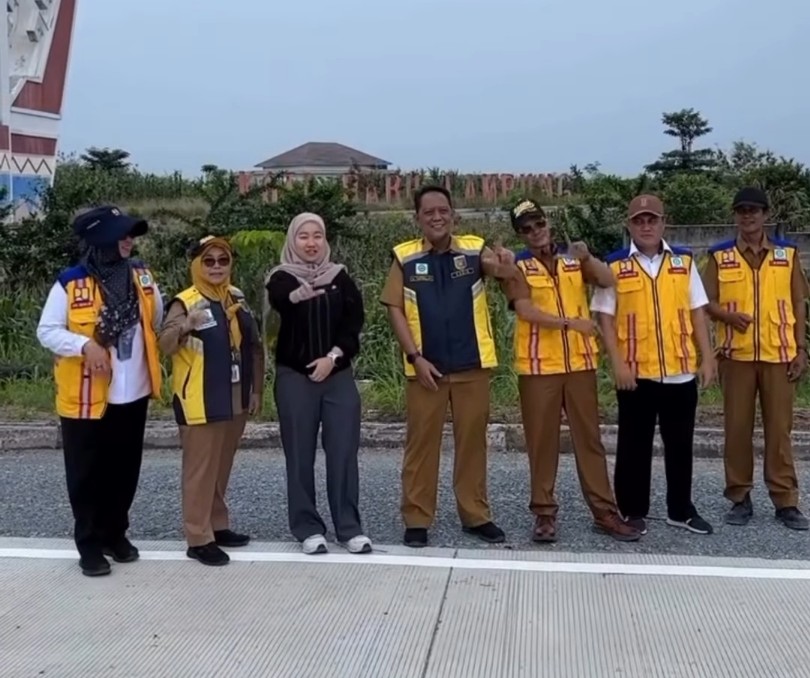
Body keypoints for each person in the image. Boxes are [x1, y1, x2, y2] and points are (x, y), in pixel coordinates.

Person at [380, 185, 517, 548]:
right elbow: (394, 308)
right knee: (421, 446)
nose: (437, 217)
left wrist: (504, 264)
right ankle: (416, 518)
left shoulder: (473, 249)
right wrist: (415, 357)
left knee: (472, 444)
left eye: (443, 210)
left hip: (472, 365)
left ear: (453, 214)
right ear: (417, 218)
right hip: (426, 371)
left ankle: (475, 515)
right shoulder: (405, 257)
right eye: (429, 212)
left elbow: (495, 268)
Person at [499, 199, 640, 543]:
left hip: (579, 364)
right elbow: (526, 311)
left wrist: (587, 257)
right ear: (519, 234)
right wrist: (571, 323)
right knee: (541, 443)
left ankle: (604, 512)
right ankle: (544, 513)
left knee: (589, 440)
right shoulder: (516, 266)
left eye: (539, 224)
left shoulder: (572, 259)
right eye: (526, 228)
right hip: (538, 368)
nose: (535, 232)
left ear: (548, 223)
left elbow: (607, 280)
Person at [36, 205, 163, 577]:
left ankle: (115, 534)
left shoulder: (142, 276)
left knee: (124, 470)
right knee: (86, 472)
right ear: (100, 239)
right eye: (121, 234)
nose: (129, 241)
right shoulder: (70, 282)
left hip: (133, 391)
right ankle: (89, 544)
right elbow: (47, 331)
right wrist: (84, 345)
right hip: (85, 397)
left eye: (131, 235)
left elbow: (155, 318)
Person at [591, 194, 716, 536]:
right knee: (634, 446)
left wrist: (707, 357)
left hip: (680, 370)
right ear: (629, 225)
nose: (646, 226)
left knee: (681, 446)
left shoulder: (683, 262)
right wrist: (617, 363)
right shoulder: (615, 265)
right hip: (636, 373)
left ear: (664, 223)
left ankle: (681, 510)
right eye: (639, 221)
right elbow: (604, 317)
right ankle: (633, 510)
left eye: (652, 220)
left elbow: (697, 311)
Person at [703, 187, 809, 530]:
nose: (748, 216)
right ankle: (739, 497)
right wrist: (727, 316)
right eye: (742, 210)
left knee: (779, 431)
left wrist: (801, 349)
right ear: (735, 216)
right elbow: (705, 302)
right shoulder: (720, 256)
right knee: (737, 430)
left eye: (754, 210)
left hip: (780, 356)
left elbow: (798, 303)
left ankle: (785, 500)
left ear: (765, 215)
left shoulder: (787, 255)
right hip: (736, 357)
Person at [266, 213, 372, 555]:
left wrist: (333, 357)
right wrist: (298, 296)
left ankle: (349, 528)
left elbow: (353, 324)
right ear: (292, 240)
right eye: (303, 236)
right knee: (299, 455)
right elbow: (281, 299)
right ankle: (307, 528)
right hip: (295, 378)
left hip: (337, 376)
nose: (311, 243)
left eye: (317, 236)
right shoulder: (281, 278)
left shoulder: (339, 277)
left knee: (343, 452)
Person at [159, 235, 265, 566]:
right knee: (200, 470)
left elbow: (254, 346)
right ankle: (198, 537)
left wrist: (256, 390)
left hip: (234, 396)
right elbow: (165, 345)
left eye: (223, 260)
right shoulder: (185, 302)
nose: (216, 267)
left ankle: (217, 525)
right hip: (199, 398)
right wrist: (186, 326)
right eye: (209, 261)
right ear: (196, 265)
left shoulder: (236, 297)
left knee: (221, 466)